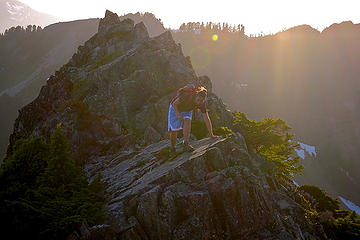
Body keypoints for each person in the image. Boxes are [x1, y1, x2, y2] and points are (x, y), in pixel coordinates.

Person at [168, 85, 217, 154]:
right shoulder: (186, 97)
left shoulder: (202, 103)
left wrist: (211, 134)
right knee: (173, 130)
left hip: (187, 110)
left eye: (201, 101)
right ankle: (172, 148)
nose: (199, 102)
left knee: (187, 121)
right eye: (198, 100)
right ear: (196, 96)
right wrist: (179, 115)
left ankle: (186, 143)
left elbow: (206, 118)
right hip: (175, 108)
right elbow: (174, 104)